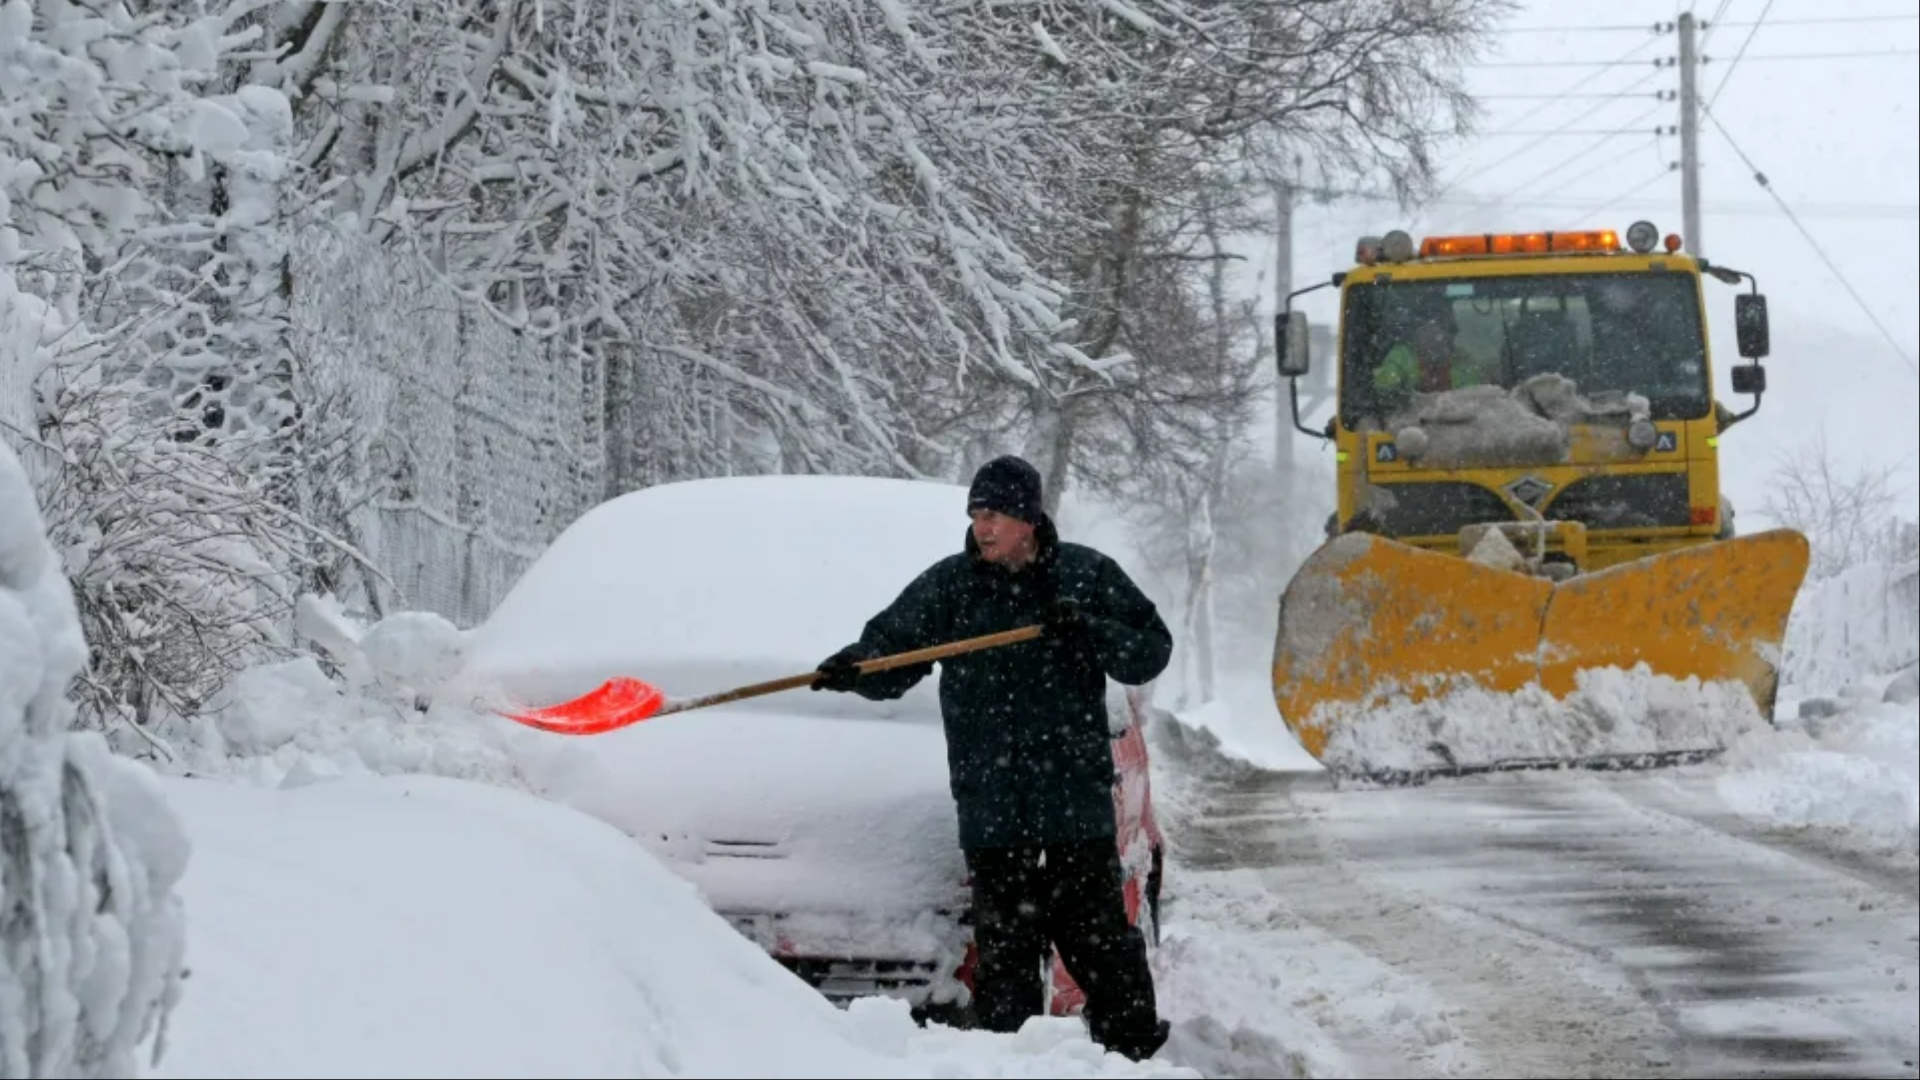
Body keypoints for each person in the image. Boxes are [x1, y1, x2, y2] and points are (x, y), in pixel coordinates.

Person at [810, 455, 1174, 1062]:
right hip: (992, 803)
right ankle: (1010, 1063)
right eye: (977, 513)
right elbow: (892, 654)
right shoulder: (951, 586)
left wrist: (1086, 629)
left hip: (1071, 800)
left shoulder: (1085, 576)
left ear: (1029, 518)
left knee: (1100, 943)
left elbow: (1149, 649)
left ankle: (1131, 1058)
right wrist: (854, 668)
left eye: (996, 514)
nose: (983, 526)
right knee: (1003, 953)